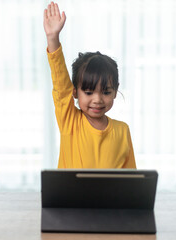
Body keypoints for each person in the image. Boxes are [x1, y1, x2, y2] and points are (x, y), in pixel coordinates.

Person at [43, 2, 136, 169]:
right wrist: (52, 38)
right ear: (75, 92)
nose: (98, 99)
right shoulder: (70, 121)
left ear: (115, 91)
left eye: (106, 92)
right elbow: (60, 84)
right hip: (71, 196)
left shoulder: (122, 131)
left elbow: (131, 179)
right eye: (88, 92)